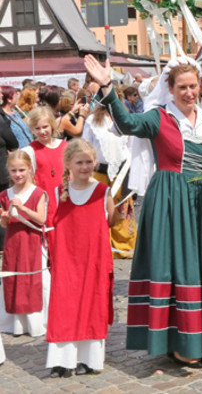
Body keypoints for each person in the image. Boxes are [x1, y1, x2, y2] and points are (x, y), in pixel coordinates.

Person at [83, 54, 202, 367]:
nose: (190, 92)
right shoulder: (159, 116)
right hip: (170, 198)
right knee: (173, 265)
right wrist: (107, 87)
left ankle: (201, 337)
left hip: (201, 200)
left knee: (199, 265)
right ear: (170, 89)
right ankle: (177, 341)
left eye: (194, 86)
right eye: (183, 87)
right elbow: (127, 123)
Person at [44, 140, 117, 378]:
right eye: (79, 162)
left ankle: (90, 359)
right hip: (66, 260)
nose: (85, 166)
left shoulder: (103, 191)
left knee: (92, 306)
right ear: (68, 165)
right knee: (64, 308)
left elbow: (110, 222)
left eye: (88, 162)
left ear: (94, 162)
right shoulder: (56, 192)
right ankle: (62, 361)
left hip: (94, 259)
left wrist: (119, 212)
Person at [0, 151, 48, 337]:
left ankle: (35, 323)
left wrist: (22, 208)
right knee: (14, 279)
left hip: (32, 242)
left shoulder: (38, 192)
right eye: (13, 171)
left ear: (29, 169)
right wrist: (4, 218)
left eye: (21, 170)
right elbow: (5, 223)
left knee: (32, 280)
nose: (18, 174)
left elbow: (41, 219)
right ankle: (16, 323)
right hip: (13, 242)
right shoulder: (5, 194)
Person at [81, 101, 135, 259]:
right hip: (100, 171)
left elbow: (131, 146)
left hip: (122, 171)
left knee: (122, 209)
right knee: (100, 209)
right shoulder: (92, 120)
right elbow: (86, 144)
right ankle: (101, 245)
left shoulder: (125, 118)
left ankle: (123, 246)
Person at [21, 107, 67, 230]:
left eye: (45, 127)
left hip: (66, 199)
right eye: (37, 128)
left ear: (52, 125)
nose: (42, 131)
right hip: (45, 202)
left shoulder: (65, 146)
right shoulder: (30, 151)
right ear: (32, 130)